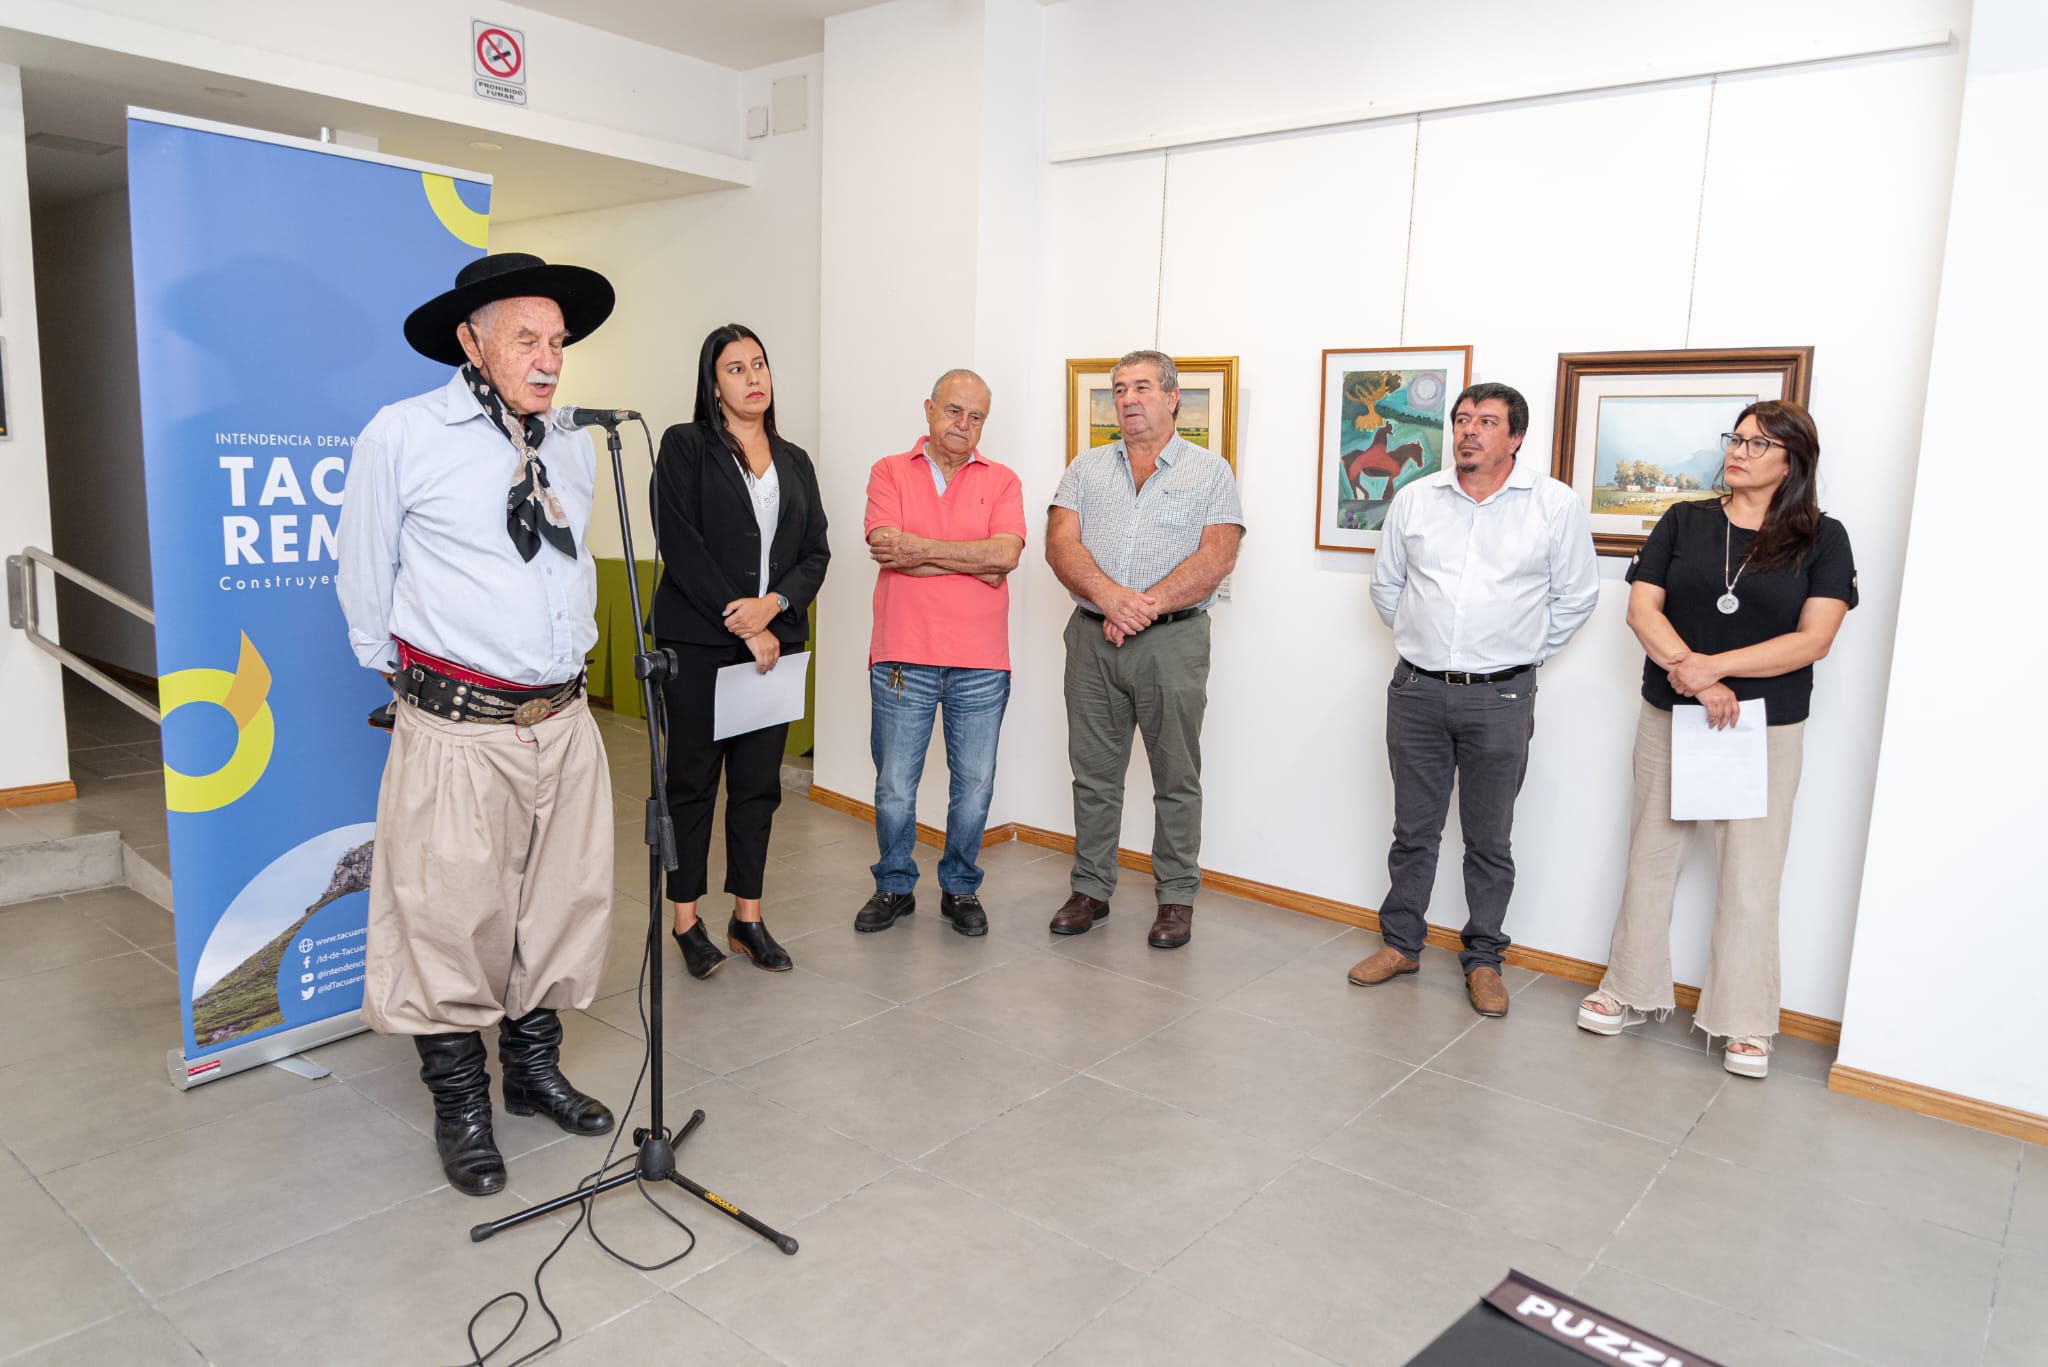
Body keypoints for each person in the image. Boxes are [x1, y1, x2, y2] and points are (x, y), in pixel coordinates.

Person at [336, 252, 619, 1197]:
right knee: (449, 919)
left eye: (557, 342)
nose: (548, 359)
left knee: (559, 906)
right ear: (471, 339)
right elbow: (363, 582)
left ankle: (533, 1073)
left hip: (566, 721)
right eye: (526, 340)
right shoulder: (403, 434)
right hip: (457, 727)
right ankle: (461, 1105)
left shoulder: (572, 443)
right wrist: (428, 688)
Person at [1577, 400, 1855, 1078]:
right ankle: (1628, 988)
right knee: (1651, 855)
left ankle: (1746, 1021)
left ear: (1794, 461)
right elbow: (1642, 608)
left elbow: (1813, 638)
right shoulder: (1685, 520)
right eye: (1736, 438)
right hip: (1672, 713)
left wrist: (1718, 666)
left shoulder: (1823, 536)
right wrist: (1697, 681)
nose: (1739, 451)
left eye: (1760, 444)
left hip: (1765, 726)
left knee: (1751, 875)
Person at [1350, 381, 1598, 1017]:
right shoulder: (1415, 499)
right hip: (1417, 690)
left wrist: (1519, 654)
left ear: (1514, 437)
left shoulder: (1553, 505)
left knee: (1490, 839)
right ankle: (1401, 943)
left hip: (1502, 696)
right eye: (1462, 419)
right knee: (1414, 831)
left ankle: (1484, 959)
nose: (1468, 431)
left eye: (1486, 422)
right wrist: (1427, 642)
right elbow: (1387, 588)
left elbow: (1577, 597)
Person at [1044, 350, 1244, 949]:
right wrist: (1111, 600)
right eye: (1119, 388)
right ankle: (1090, 889)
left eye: (1142, 387)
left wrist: (1142, 607)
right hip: (1092, 639)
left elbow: (1217, 558)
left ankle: (1176, 898)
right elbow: (1060, 544)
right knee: (1093, 774)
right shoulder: (1085, 467)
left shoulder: (1211, 471)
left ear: (1172, 397)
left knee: (1176, 776)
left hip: (1173, 642)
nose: (1128, 399)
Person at [649, 323, 830, 978]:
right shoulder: (685, 447)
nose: (753, 377)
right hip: (700, 644)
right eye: (736, 368)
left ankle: (747, 917)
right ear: (713, 383)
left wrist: (774, 608)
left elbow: (816, 553)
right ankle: (687, 920)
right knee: (692, 782)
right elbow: (682, 544)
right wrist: (743, 621)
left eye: (760, 364)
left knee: (759, 787)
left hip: (773, 648)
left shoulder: (796, 460)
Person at [856, 370, 1026, 937]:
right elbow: (886, 548)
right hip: (903, 655)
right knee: (895, 786)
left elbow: (1005, 555)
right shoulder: (888, 471)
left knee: (974, 785)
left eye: (976, 417)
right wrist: (972, 562)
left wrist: (920, 551)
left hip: (981, 662)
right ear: (929, 409)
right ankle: (894, 885)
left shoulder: (1002, 480)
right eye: (954, 411)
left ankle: (960, 887)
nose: (964, 425)